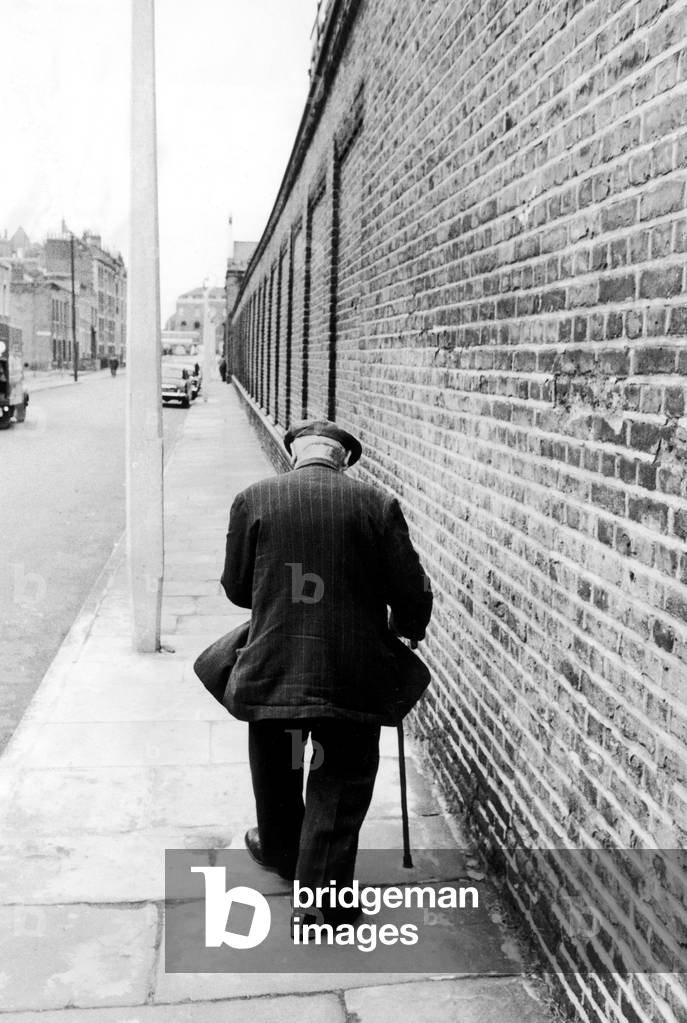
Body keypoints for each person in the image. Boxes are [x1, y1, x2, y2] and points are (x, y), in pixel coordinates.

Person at [220, 419, 432, 922]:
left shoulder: (254, 499)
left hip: (275, 666)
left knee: (281, 766)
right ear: (343, 460)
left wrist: (279, 595)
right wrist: (407, 627)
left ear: (296, 455)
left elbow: (237, 587)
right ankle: (322, 904)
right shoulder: (376, 505)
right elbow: (410, 590)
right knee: (337, 779)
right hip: (349, 672)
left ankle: (282, 853)